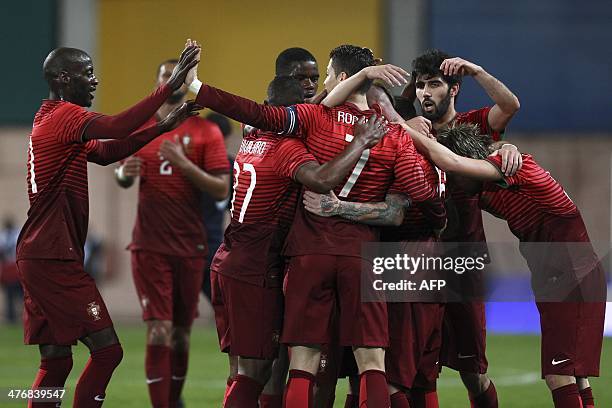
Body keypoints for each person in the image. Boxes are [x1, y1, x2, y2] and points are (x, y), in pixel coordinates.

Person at [187, 39, 435, 407]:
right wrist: (418, 137)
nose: (320, 85)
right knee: (371, 361)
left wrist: (197, 87)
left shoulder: (313, 119)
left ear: (342, 78)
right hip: (362, 255)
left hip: (307, 253)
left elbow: (254, 112)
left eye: (328, 75)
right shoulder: (394, 136)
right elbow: (417, 196)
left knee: (300, 362)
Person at [16, 44, 199, 407]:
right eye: (87, 72)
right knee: (107, 352)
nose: (95, 79)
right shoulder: (66, 117)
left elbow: (107, 152)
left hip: (40, 254)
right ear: (64, 79)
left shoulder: (48, 117)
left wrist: (163, 125)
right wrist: (168, 86)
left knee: (56, 359)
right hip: (53, 258)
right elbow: (117, 126)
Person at [213, 75, 387, 407]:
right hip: (257, 268)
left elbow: (310, 108)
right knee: (256, 371)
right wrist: (360, 141)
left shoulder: (252, 137)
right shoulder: (287, 147)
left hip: (232, 258)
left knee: (247, 367)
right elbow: (322, 179)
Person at [409, 123, 606, 408]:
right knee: (576, 376)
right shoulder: (493, 183)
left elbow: (451, 160)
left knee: (559, 375)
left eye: (456, 176)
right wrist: (506, 145)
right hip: (559, 279)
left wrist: (399, 125)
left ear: (471, 164)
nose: (452, 183)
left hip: (572, 278)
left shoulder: (514, 168)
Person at [114, 58, 230, 408]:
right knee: (159, 329)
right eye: (167, 76)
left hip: (191, 247)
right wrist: (123, 175)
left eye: (179, 76)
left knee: (180, 335)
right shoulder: (141, 127)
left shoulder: (206, 131)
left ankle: (173, 400)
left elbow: (221, 190)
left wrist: (183, 163)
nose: (174, 81)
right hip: (149, 246)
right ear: (157, 83)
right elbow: (122, 173)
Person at [410, 49, 521, 407]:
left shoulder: (473, 125)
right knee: (419, 369)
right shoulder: (409, 131)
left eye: (435, 85)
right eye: (421, 85)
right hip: (417, 262)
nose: (425, 93)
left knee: (473, 371)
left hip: (463, 262)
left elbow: (510, 105)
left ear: (454, 89)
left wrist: (477, 70)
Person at [0, 217, 21, 324]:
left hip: (16, 266)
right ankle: (11, 317)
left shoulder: (17, 234)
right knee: (9, 294)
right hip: (9, 268)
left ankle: (21, 315)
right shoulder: (3, 236)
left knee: (20, 294)